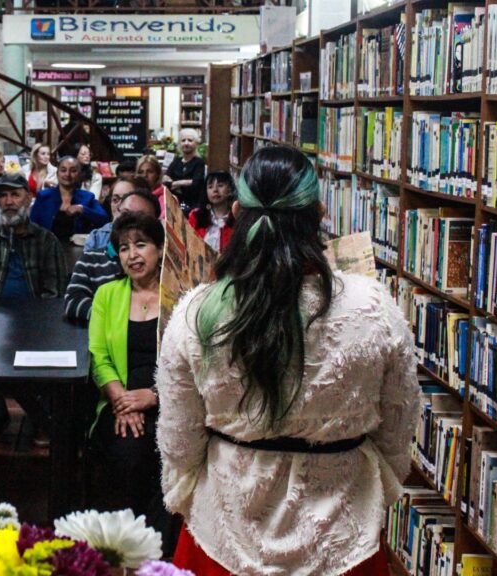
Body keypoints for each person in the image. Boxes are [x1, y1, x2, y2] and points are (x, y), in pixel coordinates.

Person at [157, 147, 421, 575]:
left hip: (223, 532)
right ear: (318, 214)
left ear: (238, 211)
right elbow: (398, 427)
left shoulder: (196, 313)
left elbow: (179, 444)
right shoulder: (374, 308)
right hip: (343, 534)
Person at [0, 173, 66, 448]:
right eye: (2, 196)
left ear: (29, 198)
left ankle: (37, 420)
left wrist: (35, 321)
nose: (8, 201)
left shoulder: (46, 241)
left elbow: (54, 292)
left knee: (37, 361)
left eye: (15, 194)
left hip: (35, 323)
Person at [88, 211, 169, 544]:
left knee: (171, 451)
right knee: (129, 451)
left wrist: (154, 396)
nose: (132, 255)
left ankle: (161, 546)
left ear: (161, 249)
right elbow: (98, 357)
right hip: (118, 401)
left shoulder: (179, 294)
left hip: (170, 402)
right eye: (123, 248)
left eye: (141, 244)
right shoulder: (107, 294)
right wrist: (121, 399)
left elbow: (194, 362)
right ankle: (132, 541)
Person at [65, 189, 159, 323]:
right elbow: (73, 301)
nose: (129, 223)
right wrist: (117, 318)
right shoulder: (91, 259)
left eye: (140, 217)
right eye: (125, 214)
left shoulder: (163, 264)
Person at [29, 157, 109, 243]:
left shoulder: (88, 197)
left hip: (78, 250)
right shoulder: (44, 196)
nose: (67, 174)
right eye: (63, 170)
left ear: (79, 174)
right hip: (47, 249)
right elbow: (32, 226)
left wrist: (82, 209)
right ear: (57, 173)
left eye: (73, 171)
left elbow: (104, 220)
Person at [84, 177, 148, 252]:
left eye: (126, 199)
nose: (120, 205)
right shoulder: (97, 237)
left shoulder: (150, 235)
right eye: (115, 200)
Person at [187, 171, 236, 252]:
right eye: (210, 187)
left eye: (220, 185)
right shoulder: (196, 216)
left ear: (230, 190)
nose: (215, 190)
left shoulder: (237, 218)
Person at [163, 128, 206, 213]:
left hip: (191, 203)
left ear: (196, 144)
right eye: (183, 140)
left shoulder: (199, 162)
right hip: (175, 200)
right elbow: (165, 180)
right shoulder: (176, 161)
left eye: (190, 140)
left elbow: (196, 183)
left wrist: (174, 183)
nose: (186, 143)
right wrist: (186, 182)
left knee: (183, 211)